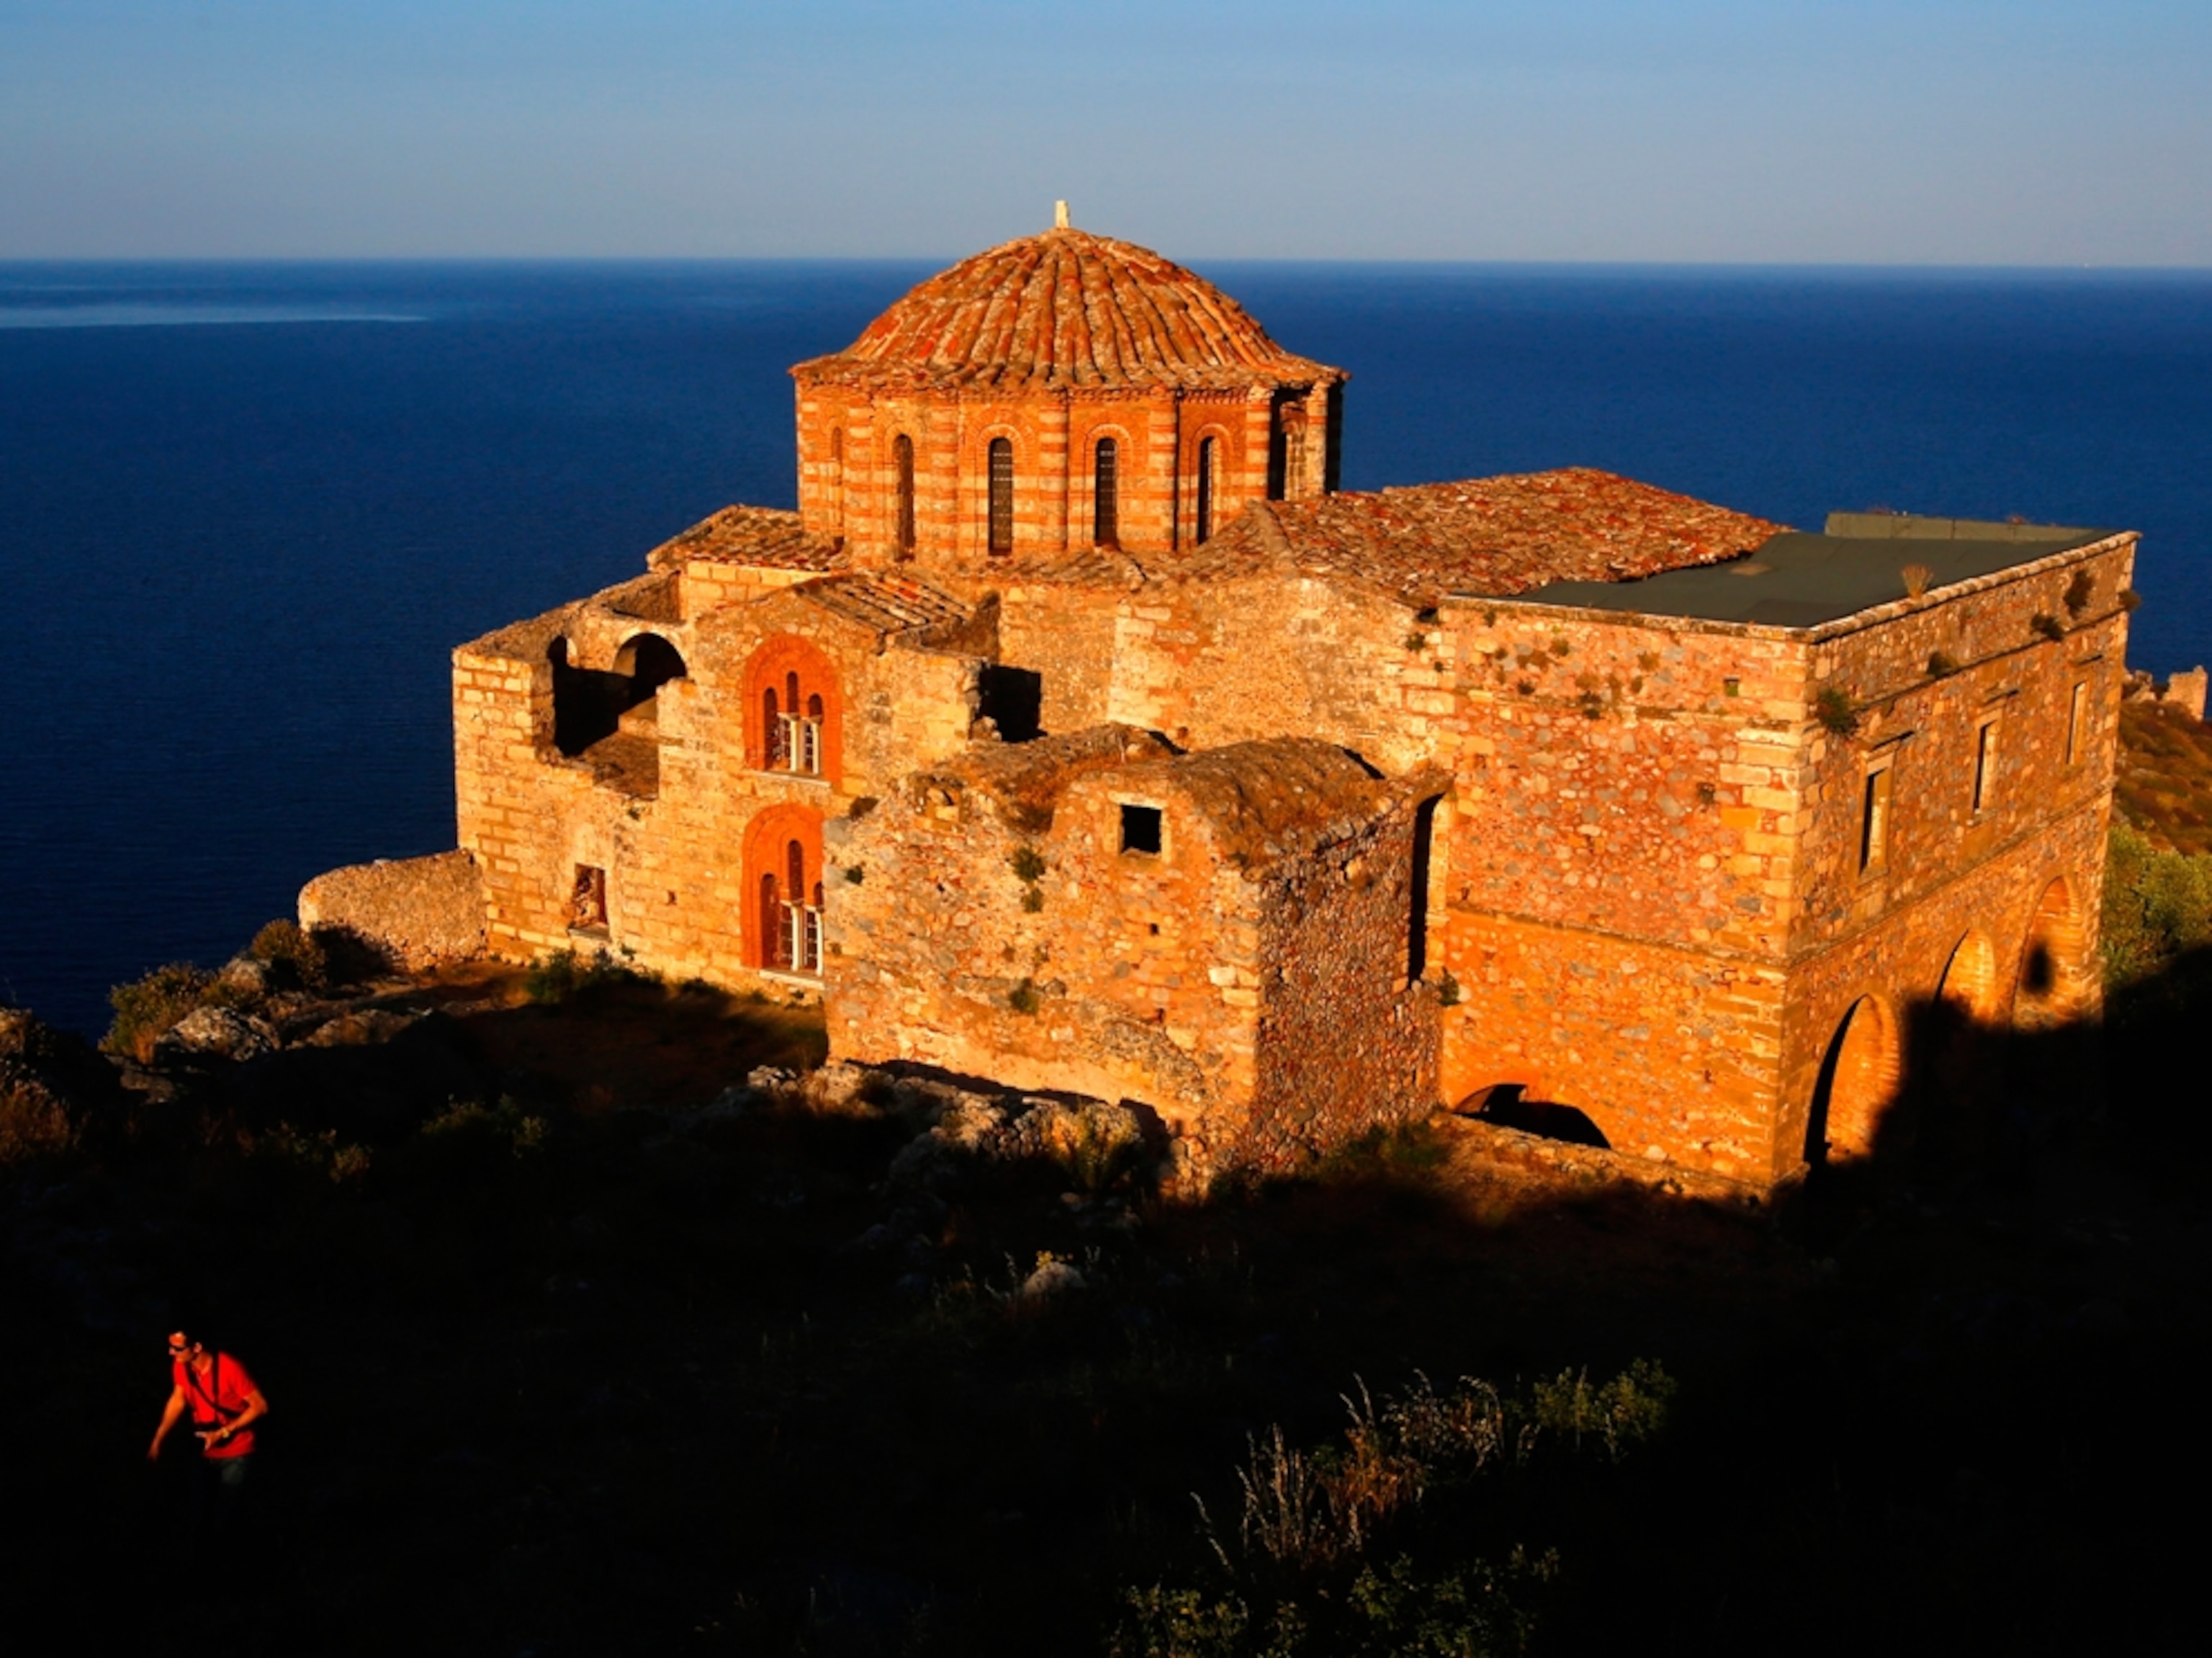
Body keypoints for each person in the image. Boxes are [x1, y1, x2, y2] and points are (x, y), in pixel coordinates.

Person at [148, 1329, 269, 1534]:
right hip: (203, 1448)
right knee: (197, 1510)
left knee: (225, 1513)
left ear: (197, 1347)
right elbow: (178, 1399)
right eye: (170, 1347)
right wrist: (158, 1439)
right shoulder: (181, 1365)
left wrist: (223, 1432)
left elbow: (260, 1406)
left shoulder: (229, 1367)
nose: (171, 1352)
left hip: (236, 1450)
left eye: (177, 1348)